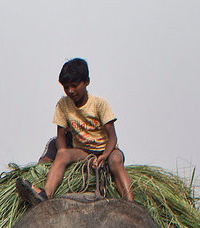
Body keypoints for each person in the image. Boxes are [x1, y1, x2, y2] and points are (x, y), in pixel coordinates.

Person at [32, 58, 134, 202]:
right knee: (62, 154)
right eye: (66, 87)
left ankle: (130, 202)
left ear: (86, 82)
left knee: (116, 160)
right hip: (83, 151)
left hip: (106, 150)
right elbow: (60, 135)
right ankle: (46, 194)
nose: (70, 91)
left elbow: (113, 137)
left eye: (74, 85)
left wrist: (104, 155)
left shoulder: (99, 104)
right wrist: (64, 153)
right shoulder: (63, 105)